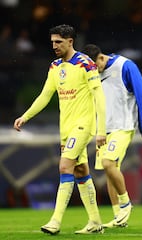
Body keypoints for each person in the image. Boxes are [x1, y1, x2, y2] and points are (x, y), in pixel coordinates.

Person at [13, 24, 106, 235]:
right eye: (52, 42)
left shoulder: (86, 64)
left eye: (59, 42)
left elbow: (99, 97)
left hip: (83, 125)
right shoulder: (55, 66)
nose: (54, 45)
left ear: (70, 41)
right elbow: (45, 95)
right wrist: (25, 116)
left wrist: (102, 129)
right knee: (81, 171)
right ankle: (95, 222)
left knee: (65, 167)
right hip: (66, 128)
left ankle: (55, 221)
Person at [82, 44, 142, 228]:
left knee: (108, 163)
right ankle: (118, 217)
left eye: (94, 66)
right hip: (103, 130)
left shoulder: (125, 65)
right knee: (110, 171)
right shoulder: (91, 71)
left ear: (101, 57)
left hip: (123, 126)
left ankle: (125, 203)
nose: (92, 71)